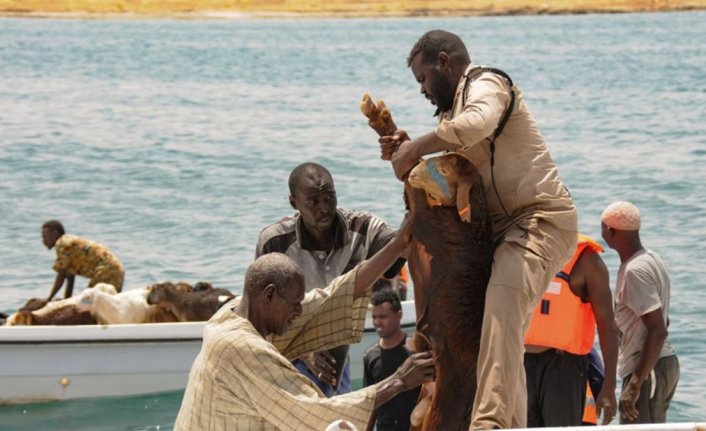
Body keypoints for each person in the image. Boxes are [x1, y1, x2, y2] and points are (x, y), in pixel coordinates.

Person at [379, 30, 577, 428]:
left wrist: (416, 147)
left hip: (540, 219)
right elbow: (450, 173)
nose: (421, 90)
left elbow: (477, 123)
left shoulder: (487, 83)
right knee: (498, 333)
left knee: (502, 306)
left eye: (422, 78)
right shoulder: (452, 117)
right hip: (501, 234)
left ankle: (489, 424)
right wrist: (405, 148)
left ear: (445, 62)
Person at [174, 224, 436, 431]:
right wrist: (399, 381)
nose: (298, 312)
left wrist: (397, 245)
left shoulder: (232, 313)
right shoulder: (240, 348)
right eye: (294, 304)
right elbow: (316, 412)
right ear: (268, 295)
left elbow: (329, 299)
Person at [256, 162, 405, 396]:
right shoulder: (275, 242)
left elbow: (400, 247)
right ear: (294, 203)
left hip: (337, 366)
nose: (324, 208)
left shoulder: (362, 229)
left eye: (330, 197)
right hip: (286, 363)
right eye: (313, 201)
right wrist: (304, 351)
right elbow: (258, 314)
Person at [524, 233, 619, 426]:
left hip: (564, 368)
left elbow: (607, 326)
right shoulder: (518, 247)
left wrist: (609, 386)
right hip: (520, 362)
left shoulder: (587, 260)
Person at [601, 201, 679, 423]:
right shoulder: (651, 259)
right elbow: (664, 319)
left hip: (647, 368)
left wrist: (635, 384)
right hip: (660, 364)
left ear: (611, 231)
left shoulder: (634, 271)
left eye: (602, 227)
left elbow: (658, 330)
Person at [363, 288, 420, 431]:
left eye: (383, 316)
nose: (377, 322)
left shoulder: (416, 350)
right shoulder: (370, 356)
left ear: (398, 315)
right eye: (374, 317)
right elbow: (370, 404)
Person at [41, 220, 124, 300]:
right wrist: (66, 300)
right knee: (108, 306)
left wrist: (49, 298)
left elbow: (61, 275)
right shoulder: (68, 244)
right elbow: (70, 277)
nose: (43, 240)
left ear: (55, 233)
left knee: (89, 303)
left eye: (45, 236)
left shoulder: (62, 244)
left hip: (105, 271)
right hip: (115, 270)